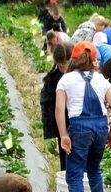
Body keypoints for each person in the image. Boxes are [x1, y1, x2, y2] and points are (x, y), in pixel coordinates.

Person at [55, 41, 111, 192]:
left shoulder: (65, 80)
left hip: (79, 127)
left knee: (74, 174)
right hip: (100, 126)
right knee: (94, 169)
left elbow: (59, 109)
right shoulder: (101, 79)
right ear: (94, 59)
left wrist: (63, 135)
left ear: (73, 58)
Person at [41, 41, 73, 171]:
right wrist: (49, 135)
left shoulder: (81, 76)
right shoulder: (52, 80)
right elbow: (47, 106)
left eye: (65, 62)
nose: (61, 66)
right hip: (63, 127)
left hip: (80, 126)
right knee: (66, 162)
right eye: (59, 63)